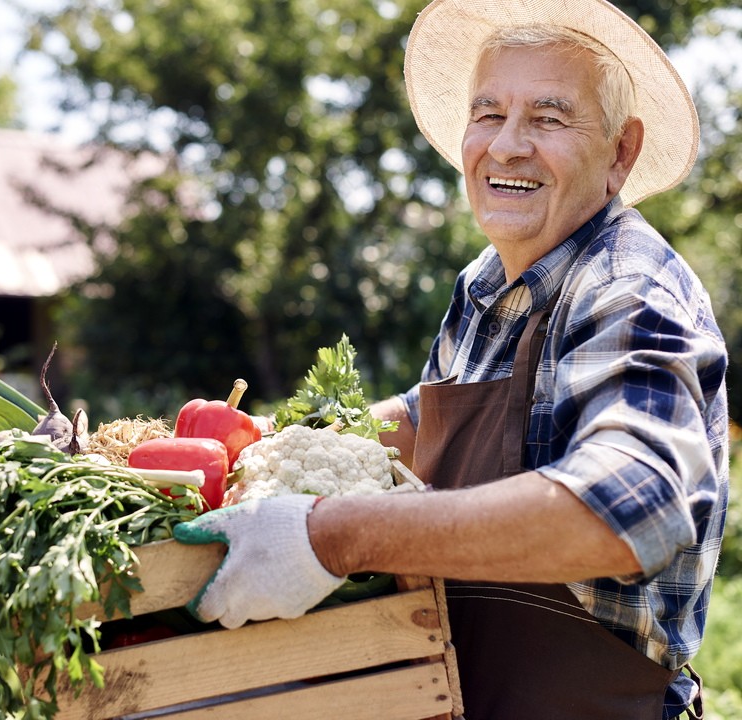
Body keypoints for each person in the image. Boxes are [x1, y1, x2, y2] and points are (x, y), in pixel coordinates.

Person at [172, 1, 729, 718]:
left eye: (550, 118)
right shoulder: (488, 282)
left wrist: (330, 536)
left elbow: (630, 509)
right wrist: (271, 451)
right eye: (488, 113)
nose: (506, 146)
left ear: (620, 153)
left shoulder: (628, 290)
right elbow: (428, 413)